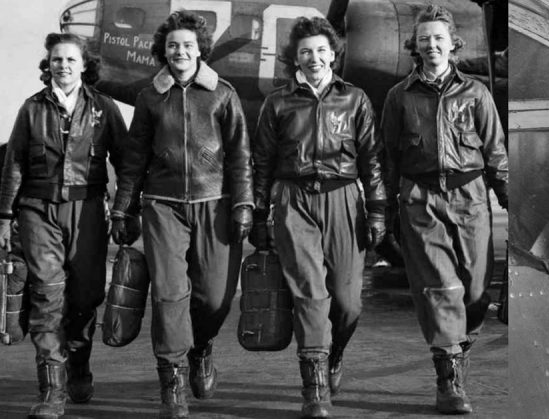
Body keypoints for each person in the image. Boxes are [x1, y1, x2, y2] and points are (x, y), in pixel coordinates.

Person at [111, 11, 253, 418]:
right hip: (163, 204)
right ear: (163, 51)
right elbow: (134, 158)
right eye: (173, 45)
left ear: (200, 49)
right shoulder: (149, 98)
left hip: (215, 203)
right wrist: (124, 208)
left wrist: (243, 204)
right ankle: (171, 380)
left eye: (188, 44)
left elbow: (241, 156)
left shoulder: (224, 94)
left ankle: (202, 347)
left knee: (214, 297)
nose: (180, 51)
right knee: (170, 295)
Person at [249, 16, 386, 419]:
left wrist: (377, 210)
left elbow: (372, 160)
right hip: (293, 200)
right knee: (310, 295)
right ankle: (315, 389)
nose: (314, 57)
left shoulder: (355, 99)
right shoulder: (277, 103)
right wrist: (260, 216)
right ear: (295, 57)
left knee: (347, 303)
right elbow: (262, 163)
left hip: (343, 197)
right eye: (306, 51)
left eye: (322, 50)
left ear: (333, 54)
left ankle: (334, 352)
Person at [381, 5, 508, 415]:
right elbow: (388, 158)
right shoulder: (398, 98)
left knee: (474, 288)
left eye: (438, 38)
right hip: (420, 199)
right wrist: (382, 210)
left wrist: (509, 198)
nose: (431, 45)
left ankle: (458, 344)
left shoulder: (476, 94)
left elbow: (496, 152)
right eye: (423, 40)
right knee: (440, 287)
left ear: (453, 43)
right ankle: (448, 378)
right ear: (414, 47)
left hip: (470, 196)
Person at [0, 33, 129, 418]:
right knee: (47, 294)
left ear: (85, 65)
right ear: (49, 65)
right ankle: (52, 392)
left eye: (71, 60)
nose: (63, 66)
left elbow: (125, 165)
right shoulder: (31, 108)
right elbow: (15, 164)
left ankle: (79, 364)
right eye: (57, 59)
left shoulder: (105, 109)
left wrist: (125, 210)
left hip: (87, 210)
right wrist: (5, 215)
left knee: (86, 296)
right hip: (37, 210)